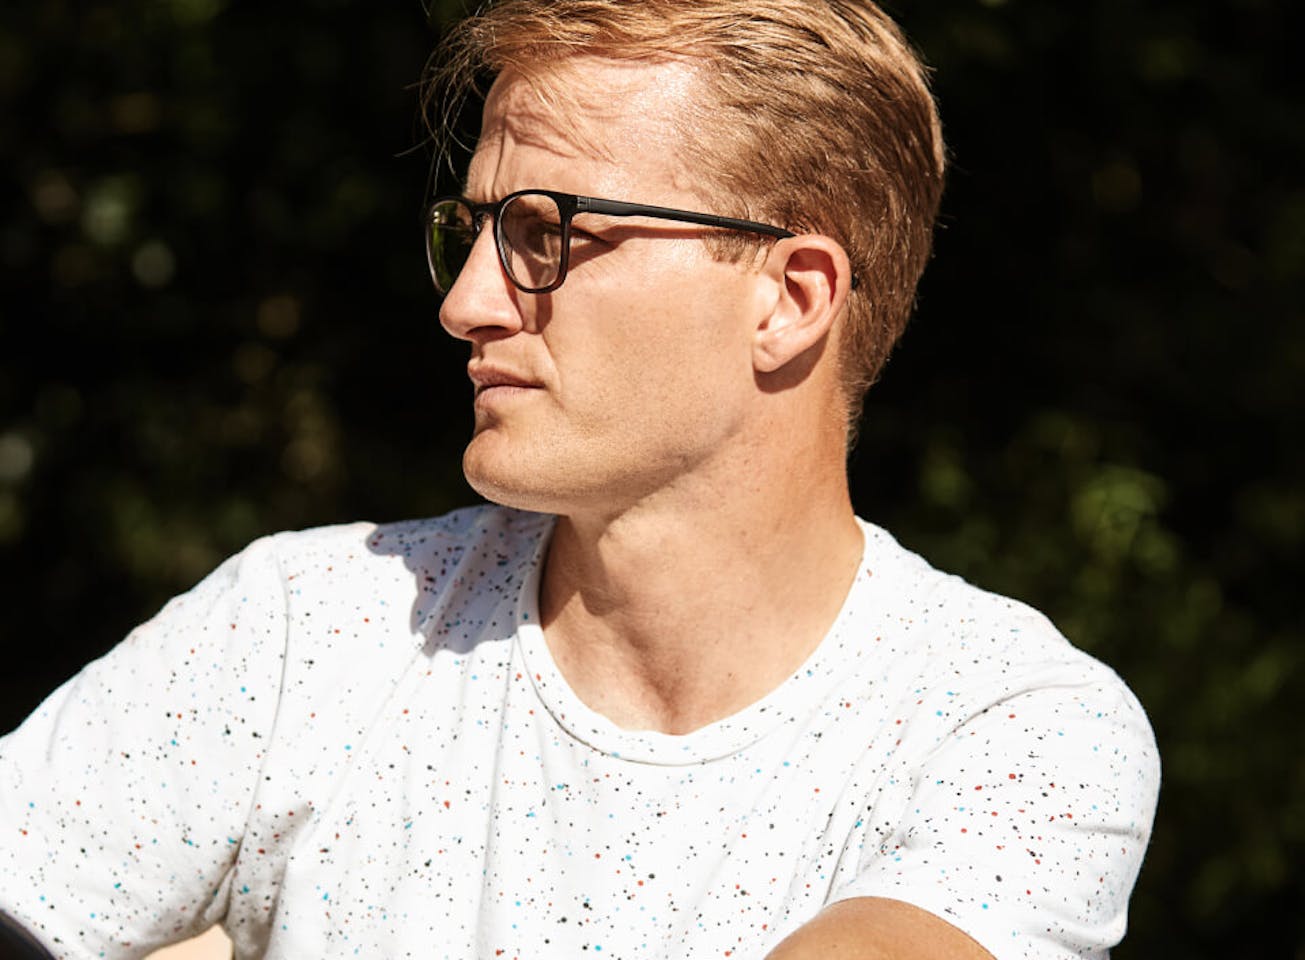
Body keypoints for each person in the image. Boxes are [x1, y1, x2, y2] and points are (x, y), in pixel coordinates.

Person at [0, 1, 1160, 957]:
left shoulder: (1008, 728)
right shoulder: (312, 631)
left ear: (790, 297)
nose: (467, 303)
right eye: (472, 231)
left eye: (548, 232)